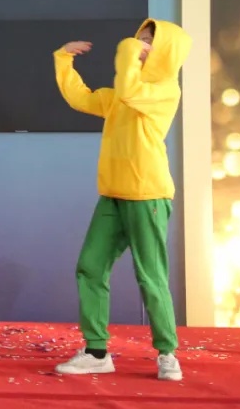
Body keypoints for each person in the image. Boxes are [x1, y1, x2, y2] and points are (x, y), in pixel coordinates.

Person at [52, 19, 190, 382]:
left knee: (150, 275)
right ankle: (97, 352)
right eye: (138, 40)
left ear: (165, 52)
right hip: (113, 194)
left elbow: (129, 89)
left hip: (148, 195)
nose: (139, 46)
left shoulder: (164, 90)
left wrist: (127, 50)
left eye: (147, 43)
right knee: (90, 267)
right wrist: (63, 59)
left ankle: (167, 353)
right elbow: (81, 98)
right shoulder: (121, 94)